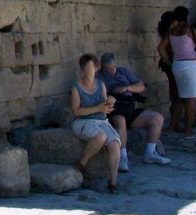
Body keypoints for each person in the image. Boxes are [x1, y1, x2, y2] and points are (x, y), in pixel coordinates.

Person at [99, 52, 171, 167]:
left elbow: (141, 86)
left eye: (112, 68)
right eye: (107, 69)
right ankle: (122, 158)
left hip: (129, 107)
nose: (111, 72)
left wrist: (127, 88)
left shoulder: (123, 72)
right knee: (121, 121)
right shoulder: (99, 76)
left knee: (157, 119)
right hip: (114, 110)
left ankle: (150, 153)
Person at [69, 54, 121, 193]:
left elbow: (105, 107)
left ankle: (113, 182)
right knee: (101, 136)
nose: (86, 70)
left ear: (96, 68)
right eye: (84, 67)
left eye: (89, 67)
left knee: (115, 143)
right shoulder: (76, 87)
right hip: (83, 122)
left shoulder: (101, 85)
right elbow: (76, 111)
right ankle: (82, 163)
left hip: (101, 120)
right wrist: (97, 108)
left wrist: (110, 102)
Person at [159, 6, 196, 135]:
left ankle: (172, 126)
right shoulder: (189, 30)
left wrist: (168, 62)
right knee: (191, 99)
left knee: (181, 98)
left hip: (177, 65)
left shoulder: (170, 32)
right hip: (191, 64)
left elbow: (161, 48)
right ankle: (188, 129)